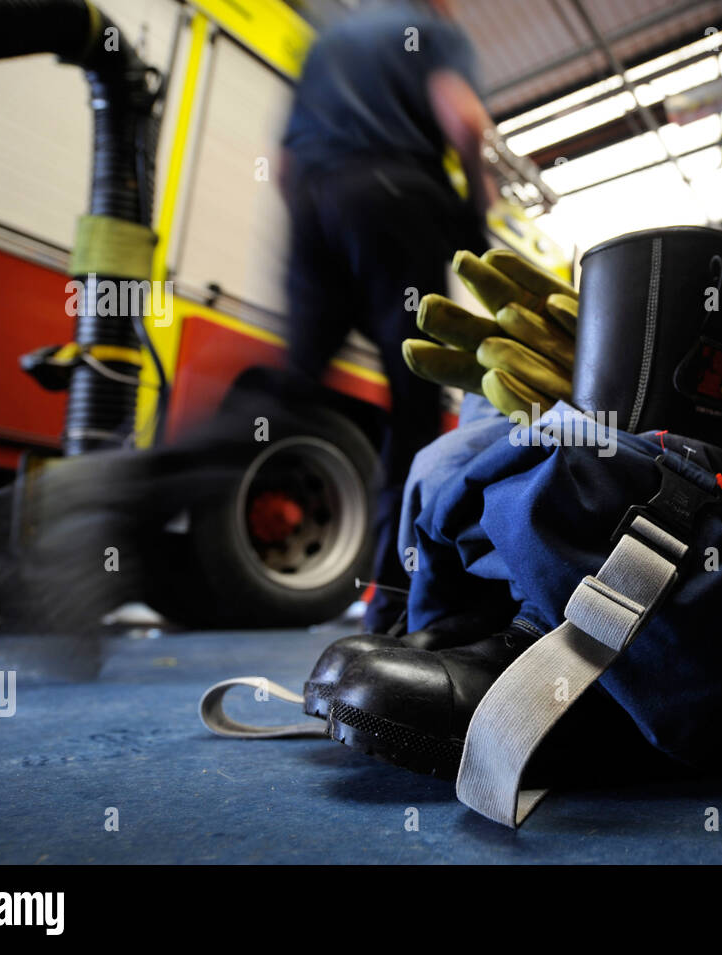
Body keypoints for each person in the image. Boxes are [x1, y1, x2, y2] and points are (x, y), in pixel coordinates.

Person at [278, 0, 496, 630]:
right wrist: (475, 206)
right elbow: (463, 117)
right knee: (414, 407)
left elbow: (284, 165)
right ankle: (392, 605)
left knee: (287, 390)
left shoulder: (330, 42)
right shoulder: (433, 34)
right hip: (400, 204)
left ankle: (125, 496)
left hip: (316, 205)